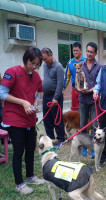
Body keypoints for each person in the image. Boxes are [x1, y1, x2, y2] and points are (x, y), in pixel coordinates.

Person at [0, 47, 45, 194]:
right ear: (26, 59)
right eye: (32, 63)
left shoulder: (36, 75)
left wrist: (35, 103)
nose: (34, 67)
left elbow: (39, 92)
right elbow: (2, 93)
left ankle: (30, 176)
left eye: (37, 65)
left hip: (29, 118)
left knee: (31, 148)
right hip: (14, 118)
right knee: (18, 151)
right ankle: (19, 184)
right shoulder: (12, 72)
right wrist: (23, 102)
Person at [79, 42, 102, 158]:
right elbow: (77, 81)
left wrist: (89, 91)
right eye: (87, 51)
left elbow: (99, 84)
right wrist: (79, 88)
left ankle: (93, 147)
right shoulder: (80, 65)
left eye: (91, 52)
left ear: (95, 53)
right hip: (82, 99)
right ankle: (84, 146)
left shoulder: (99, 67)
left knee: (94, 124)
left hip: (94, 100)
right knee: (82, 123)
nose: (89, 54)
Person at [41, 48, 65, 143]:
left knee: (57, 119)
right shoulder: (44, 65)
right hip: (46, 96)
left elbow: (60, 84)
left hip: (55, 97)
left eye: (46, 58)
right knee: (47, 120)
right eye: (43, 59)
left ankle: (60, 139)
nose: (44, 61)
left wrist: (55, 98)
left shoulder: (58, 67)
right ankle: (50, 139)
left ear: (51, 55)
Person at [63, 42, 86, 111]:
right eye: (74, 50)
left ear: (81, 50)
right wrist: (62, 88)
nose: (75, 52)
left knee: (85, 111)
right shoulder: (70, 62)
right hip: (74, 90)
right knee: (75, 112)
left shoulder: (85, 61)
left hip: (84, 91)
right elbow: (67, 77)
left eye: (77, 50)